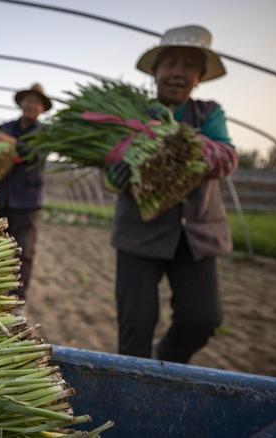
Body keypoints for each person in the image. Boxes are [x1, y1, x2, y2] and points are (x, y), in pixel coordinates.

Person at [108, 25, 238, 364]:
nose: (178, 73)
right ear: (155, 72)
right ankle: (136, 385)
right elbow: (108, 161)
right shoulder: (132, 115)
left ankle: (164, 358)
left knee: (203, 319)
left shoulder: (209, 113)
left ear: (199, 78)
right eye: (171, 64)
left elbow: (226, 156)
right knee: (136, 323)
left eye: (189, 66)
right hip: (139, 233)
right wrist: (116, 171)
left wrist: (180, 144)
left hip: (195, 234)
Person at [0, 83, 52, 299]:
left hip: (27, 202)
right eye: (28, 100)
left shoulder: (45, 133)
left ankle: (17, 298)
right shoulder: (5, 127)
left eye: (36, 102)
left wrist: (12, 146)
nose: (31, 105)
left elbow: (36, 154)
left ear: (42, 108)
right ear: (21, 103)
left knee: (23, 251)